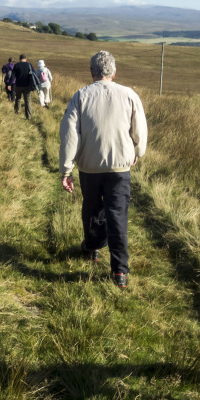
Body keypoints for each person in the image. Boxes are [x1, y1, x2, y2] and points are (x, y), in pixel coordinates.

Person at [59, 51, 148, 288]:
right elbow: (139, 130)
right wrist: (137, 152)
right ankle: (119, 271)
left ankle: (93, 247)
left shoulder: (80, 97)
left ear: (92, 72)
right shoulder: (129, 95)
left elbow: (69, 136)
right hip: (120, 166)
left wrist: (66, 170)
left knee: (92, 208)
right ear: (114, 72)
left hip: (89, 166)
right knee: (117, 215)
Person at [11, 54, 36, 119]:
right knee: (27, 101)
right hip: (27, 86)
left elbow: (13, 76)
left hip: (18, 85)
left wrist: (9, 84)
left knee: (18, 99)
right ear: (26, 58)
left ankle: (17, 112)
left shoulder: (16, 65)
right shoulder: (29, 65)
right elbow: (34, 74)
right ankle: (28, 116)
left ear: (19, 59)